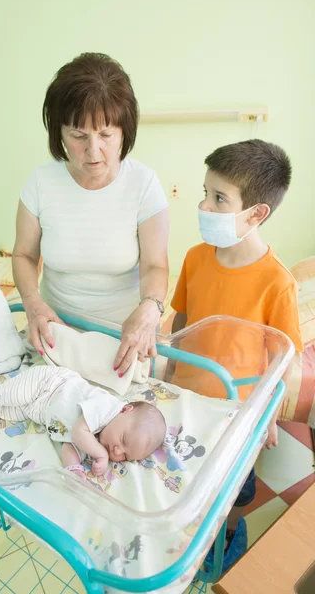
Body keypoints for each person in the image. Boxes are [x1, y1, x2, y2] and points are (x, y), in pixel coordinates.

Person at [167, 139, 303, 572]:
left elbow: (287, 361)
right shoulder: (194, 258)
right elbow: (181, 322)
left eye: (219, 198)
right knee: (187, 481)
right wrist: (166, 376)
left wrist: (270, 417)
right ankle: (192, 537)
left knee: (234, 492)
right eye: (204, 193)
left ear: (256, 213)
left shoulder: (277, 283)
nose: (204, 205)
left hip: (237, 414)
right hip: (186, 401)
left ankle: (229, 534)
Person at [12, 52, 169, 376]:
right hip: (55, 337)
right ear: (59, 132)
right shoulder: (41, 182)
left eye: (106, 135)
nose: (94, 151)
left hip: (121, 343)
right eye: (79, 136)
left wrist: (151, 307)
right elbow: (24, 255)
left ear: (125, 131)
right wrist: (32, 303)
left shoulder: (143, 184)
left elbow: (155, 266)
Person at [0, 366, 166, 479]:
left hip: (42, 411)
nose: (116, 450)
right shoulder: (108, 407)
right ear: (125, 409)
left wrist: (75, 471)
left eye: (125, 455)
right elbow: (79, 432)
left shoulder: (98, 438)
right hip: (50, 384)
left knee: (13, 412)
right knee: (15, 393)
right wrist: (101, 454)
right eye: (123, 439)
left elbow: (70, 444)